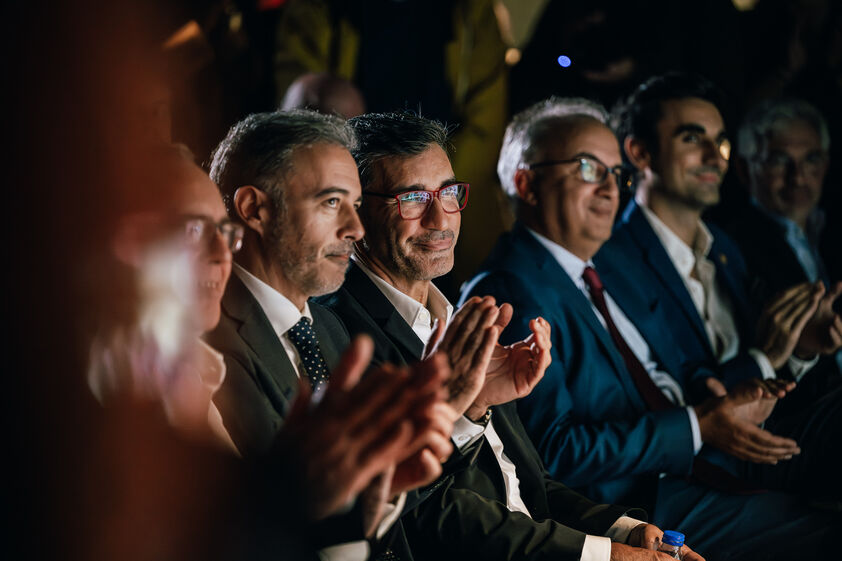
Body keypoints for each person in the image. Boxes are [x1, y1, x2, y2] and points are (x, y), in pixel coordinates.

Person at [462, 97, 838, 560]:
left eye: (616, 174)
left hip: (705, 452)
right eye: (587, 168)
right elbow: (551, 454)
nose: (609, 189)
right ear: (527, 183)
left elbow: (678, 375)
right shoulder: (510, 288)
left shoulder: (603, 267)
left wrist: (729, 389)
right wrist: (697, 427)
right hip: (641, 497)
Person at [322, 111, 705, 561]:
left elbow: (530, 483)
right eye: (412, 198)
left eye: (448, 193)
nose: (440, 219)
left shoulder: (459, 316)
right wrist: (605, 556)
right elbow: (430, 513)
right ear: (356, 210)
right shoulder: (342, 332)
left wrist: (624, 530)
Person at [204, 109, 481, 560]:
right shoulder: (214, 348)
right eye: (332, 203)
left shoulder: (325, 326)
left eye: (355, 203)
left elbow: (369, 505)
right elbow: (278, 524)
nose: (355, 229)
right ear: (254, 209)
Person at [607, 74, 842, 497]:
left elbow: (763, 370)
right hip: (696, 473)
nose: (714, 156)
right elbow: (677, 399)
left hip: (768, 442)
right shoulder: (615, 259)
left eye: (720, 141)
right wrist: (765, 357)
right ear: (640, 152)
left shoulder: (725, 248)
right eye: (691, 138)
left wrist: (800, 348)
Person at [729, 98, 841, 375]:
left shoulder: (832, 229)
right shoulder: (729, 246)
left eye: (811, 159)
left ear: (826, 163)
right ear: (744, 169)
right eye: (779, 160)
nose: (798, 177)